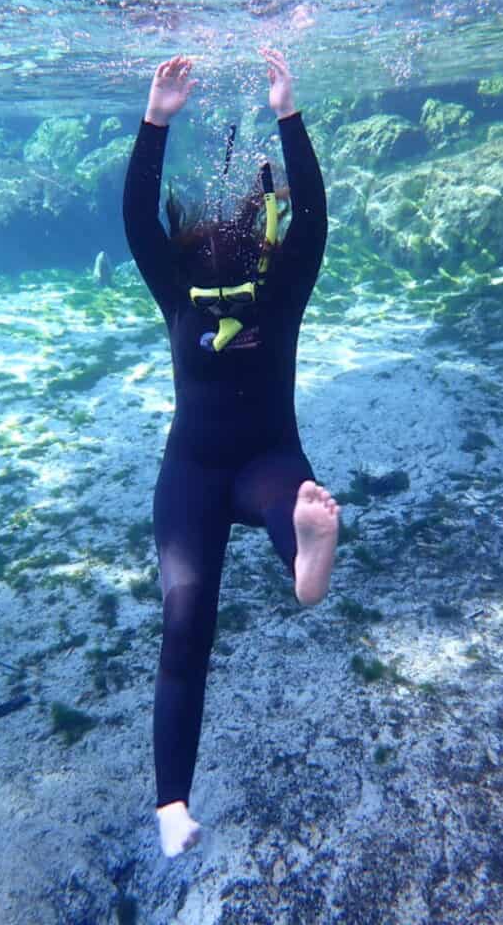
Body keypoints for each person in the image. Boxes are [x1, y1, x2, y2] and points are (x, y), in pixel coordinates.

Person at [122, 48, 340, 858]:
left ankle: (170, 804)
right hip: (258, 459)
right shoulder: (280, 289)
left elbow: (141, 225)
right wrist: (285, 114)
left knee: (186, 632)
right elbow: (311, 219)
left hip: (201, 468)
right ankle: (303, 561)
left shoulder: (179, 290)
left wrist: (159, 121)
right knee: (291, 501)